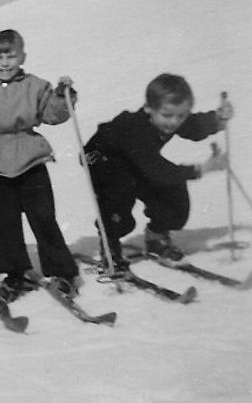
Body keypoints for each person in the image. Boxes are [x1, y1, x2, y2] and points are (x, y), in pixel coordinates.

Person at [0, 29, 79, 300]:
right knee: (2, 222)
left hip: (30, 157)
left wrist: (62, 95)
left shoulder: (34, 85)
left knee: (43, 216)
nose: (5, 62)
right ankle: (13, 273)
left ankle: (62, 271)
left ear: (22, 56)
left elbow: (53, 114)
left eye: (11, 56)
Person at [84, 73, 231, 268]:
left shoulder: (168, 117)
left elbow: (193, 126)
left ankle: (156, 237)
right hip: (104, 161)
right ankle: (109, 247)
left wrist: (218, 119)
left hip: (139, 162)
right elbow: (157, 171)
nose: (174, 122)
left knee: (173, 196)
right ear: (148, 109)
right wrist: (202, 169)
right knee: (118, 206)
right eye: (167, 115)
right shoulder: (135, 129)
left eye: (181, 115)